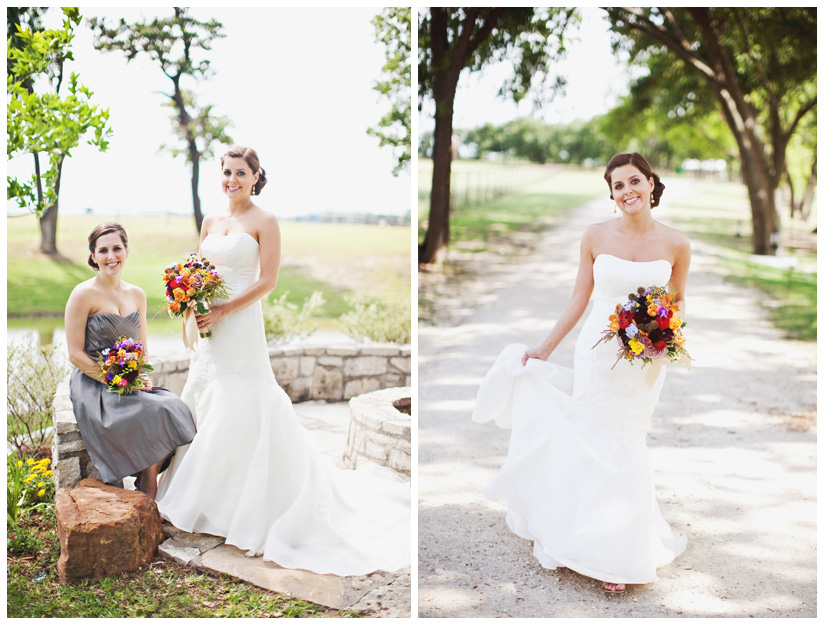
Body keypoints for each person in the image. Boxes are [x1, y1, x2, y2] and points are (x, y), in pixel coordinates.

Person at [156, 146, 410, 577]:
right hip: (209, 326)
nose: (232, 179)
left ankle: (247, 507)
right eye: (226, 172)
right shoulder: (210, 221)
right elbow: (201, 269)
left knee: (243, 399)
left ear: (255, 177)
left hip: (239, 323)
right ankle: (202, 496)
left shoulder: (265, 221)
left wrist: (224, 309)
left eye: (240, 173)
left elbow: (268, 280)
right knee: (205, 395)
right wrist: (190, 297)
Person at [472, 153, 690, 594]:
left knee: (627, 440)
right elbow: (578, 298)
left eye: (634, 181)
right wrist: (544, 349)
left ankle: (620, 549)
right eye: (617, 186)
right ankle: (588, 536)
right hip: (598, 351)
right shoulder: (594, 236)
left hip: (643, 360)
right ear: (611, 194)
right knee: (594, 439)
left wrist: (664, 339)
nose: (627, 191)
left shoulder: (676, 244)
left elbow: (677, 303)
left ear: (651, 183)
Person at [65, 222, 196, 499]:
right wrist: (113, 378)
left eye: (116, 248)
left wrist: (140, 376)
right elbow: (75, 354)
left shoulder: (137, 294)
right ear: (93, 256)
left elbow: (143, 348)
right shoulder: (82, 294)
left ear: (126, 251)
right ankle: (147, 487)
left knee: (174, 407)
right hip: (94, 381)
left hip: (130, 377)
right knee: (150, 412)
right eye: (103, 250)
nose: (111, 256)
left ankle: (148, 478)